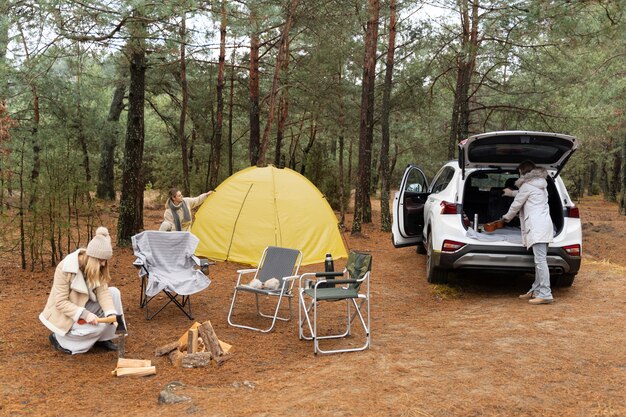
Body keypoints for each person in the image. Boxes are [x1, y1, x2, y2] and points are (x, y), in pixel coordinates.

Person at [39, 227, 126, 354]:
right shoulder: (64, 268)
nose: (103, 264)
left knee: (114, 292)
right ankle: (58, 338)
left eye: (105, 261)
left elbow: (103, 292)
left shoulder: (97, 267)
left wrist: (111, 314)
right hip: (66, 315)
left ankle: (103, 339)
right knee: (97, 328)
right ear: (92, 258)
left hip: (84, 305)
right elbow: (61, 302)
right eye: (102, 260)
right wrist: (85, 314)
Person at [501, 160, 554, 305]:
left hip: (537, 227)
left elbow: (517, 204)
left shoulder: (527, 186)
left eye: (519, 172)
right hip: (544, 226)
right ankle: (536, 290)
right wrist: (511, 192)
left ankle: (545, 293)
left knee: (540, 261)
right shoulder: (540, 184)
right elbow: (525, 194)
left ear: (523, 173)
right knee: (539, 261)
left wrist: (506, 218)